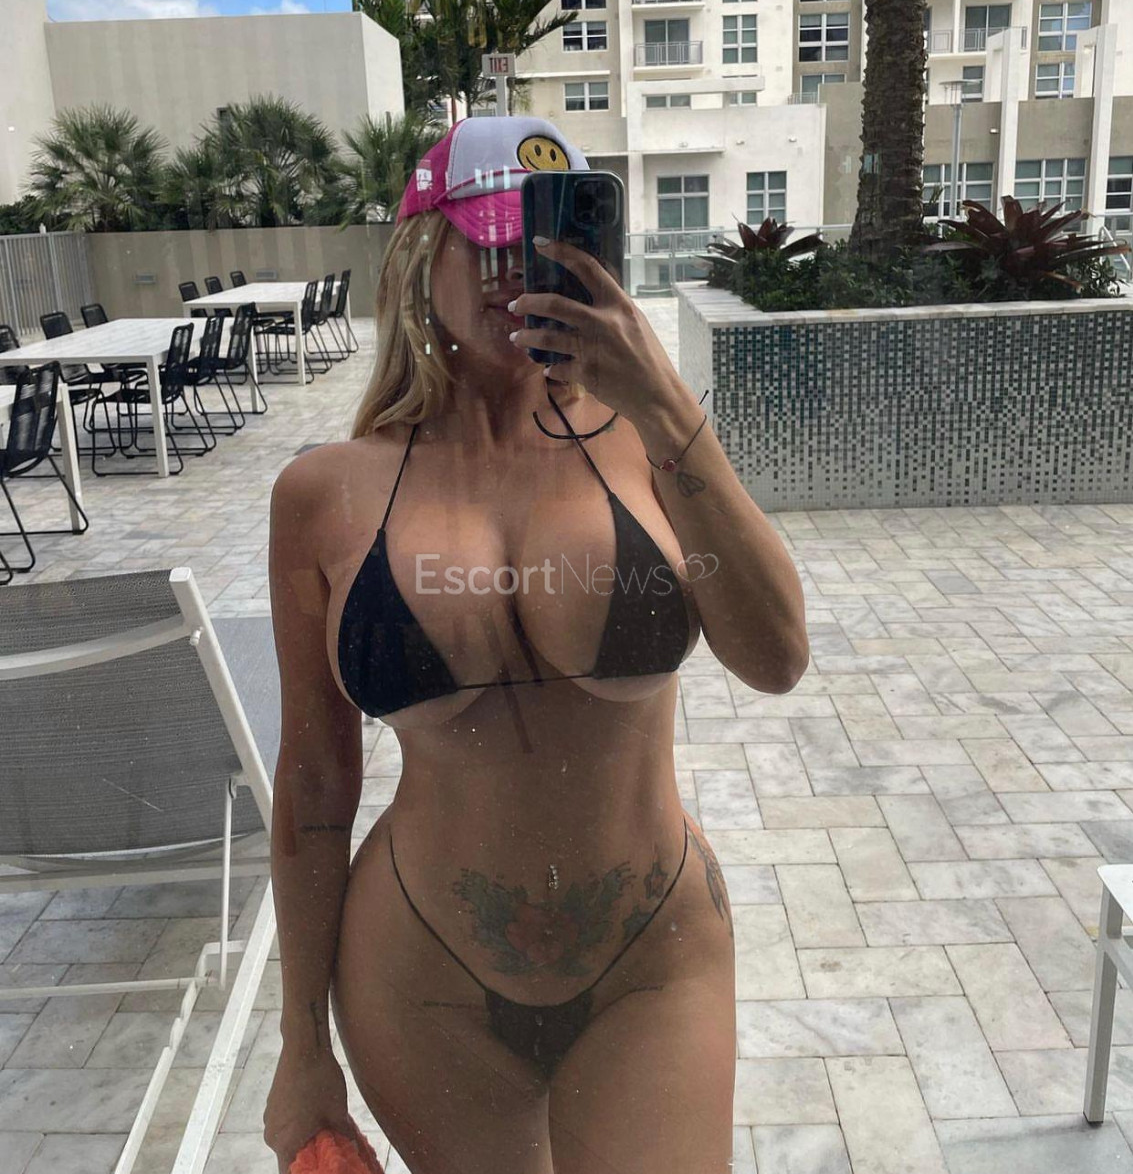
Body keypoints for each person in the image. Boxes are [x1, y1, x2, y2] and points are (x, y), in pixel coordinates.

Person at [263, 115, 809, 1174]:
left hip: (654, 962)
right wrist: (300, 1045)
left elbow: (777, 657)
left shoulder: (653, 446)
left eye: (555, 240)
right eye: (493, 243)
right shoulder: (325, 494)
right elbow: (316, 782)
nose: (523, 270)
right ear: (420, 255)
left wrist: (664, 403)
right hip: (418, 982)